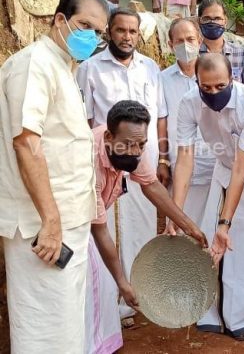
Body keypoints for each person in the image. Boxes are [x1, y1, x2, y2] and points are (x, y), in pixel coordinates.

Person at [0, 0, 108, 353]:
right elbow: (26, 142)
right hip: (42, 228)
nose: (91, 38)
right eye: (85, 26)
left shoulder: (63, 67)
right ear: (59, 20)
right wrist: (50, 221)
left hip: (64, 224)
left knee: (64, 326)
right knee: (44, 331)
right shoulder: (34, 64)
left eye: (98, 32)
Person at [171, 53, 244, 340]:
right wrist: (175, 215)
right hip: (224, 166)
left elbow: (243, 168)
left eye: (220, 86)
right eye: (206, 88)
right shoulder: (189, 102)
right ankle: (210, 310)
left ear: (232, 78)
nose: (213, 93)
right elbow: (184, 158)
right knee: (208, 238)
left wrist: (225, 223)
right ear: (197, 82)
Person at [86, 100, 207, 354]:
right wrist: (122, 282)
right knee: (93, 285)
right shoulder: (90, 163)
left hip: (90, 217)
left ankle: (102, 344)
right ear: (108, 137)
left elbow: (151, 185)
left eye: (141, 145)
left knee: (101, 286)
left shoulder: (131, 144)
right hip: (70, 224)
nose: (134, 151)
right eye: (129, 145)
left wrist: (188, 225)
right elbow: (100, 231)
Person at [76, 7, 170, 322]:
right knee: (107, 230)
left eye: (132, 31)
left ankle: (136, 294)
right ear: (109, 32)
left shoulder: (151, 68)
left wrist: (163, 156)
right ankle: (111, 301)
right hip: (107, 163)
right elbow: (86, 119)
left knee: (141, 227)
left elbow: (159, 116)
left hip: (142, 161)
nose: (127, 37)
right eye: (120, 30)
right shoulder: (90, 68)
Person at [161, 18, 215, 228]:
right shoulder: (162, 79)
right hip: (179, 169)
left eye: (191, 39)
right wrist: (163, 160)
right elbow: (161, 122)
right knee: (180, 229)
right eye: (179, 40)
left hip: (213, 168)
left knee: (210, 231)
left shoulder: (213, 76)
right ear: (170, 44)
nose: (186, 45)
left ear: (200, 40)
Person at [198, 0, 244, 84]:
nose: (212, 22)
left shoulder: (241, 53)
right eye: (207, 18)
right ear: (199, 21)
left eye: (217, 18)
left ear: (225, 21)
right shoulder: (193, 54)